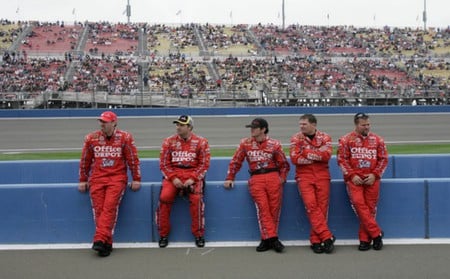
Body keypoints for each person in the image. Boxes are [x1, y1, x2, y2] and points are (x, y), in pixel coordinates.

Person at [78, 111, 141, 257]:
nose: (102, 124)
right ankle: (107, 243)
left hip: (117, 178)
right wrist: (82, 179)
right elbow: (85, 161)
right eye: (101, 121)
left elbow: (133, 159)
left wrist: (136, 178)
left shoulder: (125, 137)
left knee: (109, 207)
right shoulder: (91, 138)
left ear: (114, 123)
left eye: (105, 122)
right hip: (97, 179)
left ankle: (99, 239)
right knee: (99, 210)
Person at [224, 118, 290, 253]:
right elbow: (236, 161)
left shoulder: (275, 144)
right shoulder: (245, 143)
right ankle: (273, 239)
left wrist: (282, 178)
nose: (251, 130)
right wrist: (230, 177)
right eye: (251, 127)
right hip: (256, 178)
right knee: (263, 209)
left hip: (273, 177)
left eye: (254, 127)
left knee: (274, 210)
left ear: (263, 129)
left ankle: (266, 239)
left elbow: (283, 164)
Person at [156, 115, 210, 248]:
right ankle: (163, 234)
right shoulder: (168, 141)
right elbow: (163, 164)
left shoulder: (201, 142)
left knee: (197, 199)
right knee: (164, 197)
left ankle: (198, 235)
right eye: (177, 124)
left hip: (193, 175)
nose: (178, 127)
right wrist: (174, 178)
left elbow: (204, 164)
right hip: (173, 175)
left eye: (181, 125)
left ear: (189, 127)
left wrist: (193, 178)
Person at [337, 112, 388, 251]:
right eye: (363, 125)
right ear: (356, 124)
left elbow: (383, 159)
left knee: (370, 209)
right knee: (359, 205)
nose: (367, 127)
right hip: (355, 179)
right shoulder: (346, 140)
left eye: (368, 124)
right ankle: (376, 233)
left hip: (372, 179)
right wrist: (352, 175)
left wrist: (375, 174)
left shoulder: (378, 140)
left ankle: (365, 239)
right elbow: (341, 159)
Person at [289, 114, 335, 254]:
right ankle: (327, 237)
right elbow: (295, 159)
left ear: (314, 125)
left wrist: (305, 152)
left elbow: (326, 156)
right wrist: (316, 155)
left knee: (321, 208)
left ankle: (316, 240)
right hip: (304, 176)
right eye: (300, 124)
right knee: (311, 206)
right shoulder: (295, 138)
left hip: (322, 176)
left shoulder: (325, 137)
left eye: (304, 124)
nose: (301, 126)